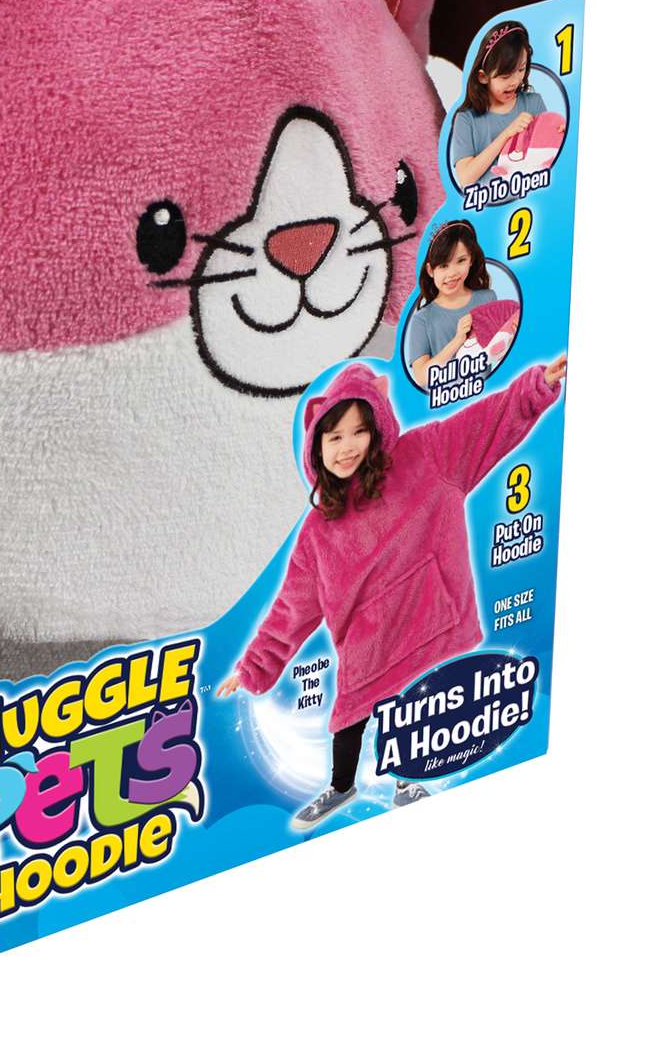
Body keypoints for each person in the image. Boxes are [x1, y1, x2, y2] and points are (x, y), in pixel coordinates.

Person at [218, 355, 565, 828]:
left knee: (414, 709)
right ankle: (341, 788)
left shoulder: (427, 454)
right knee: (349, 722)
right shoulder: (318, 532)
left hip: (431, 624)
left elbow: (485, 423)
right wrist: (253, 666)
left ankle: (407, 781)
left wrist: (533, 387)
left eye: (358, 432)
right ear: (316, 446)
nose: (347, 447)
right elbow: (291, 609)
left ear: (377, 429)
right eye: (334, 437)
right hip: (365, 651)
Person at [450, 21, 549, 189]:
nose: (515, 81)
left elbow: (547, 157)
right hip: (488, 204)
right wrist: (507, 134)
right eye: (505, 76)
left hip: (530, 198)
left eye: (521, 69)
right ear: (483, 77)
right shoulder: (466, 119)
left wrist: (560, 135)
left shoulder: (534, 103)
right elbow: (465, 178)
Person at [404, 220, 496, 387]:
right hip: (444, 401)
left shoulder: (488, 299)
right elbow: (422, 377)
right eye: (443, 265)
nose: (452, 273)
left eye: (461, 260)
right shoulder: (423, 319)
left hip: (486, 397)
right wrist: (457, 340)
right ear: (431, 270)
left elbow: (499, 349)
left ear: (471, 260)